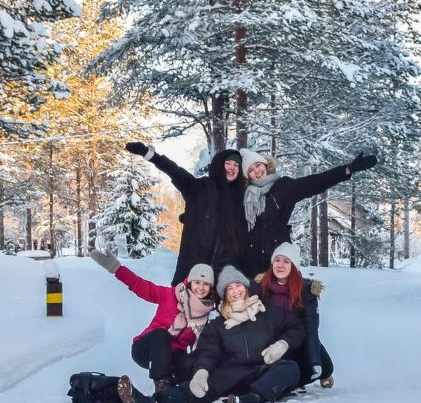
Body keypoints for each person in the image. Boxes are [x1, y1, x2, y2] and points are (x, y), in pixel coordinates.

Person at [117, 265, 305, 403]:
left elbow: (296, 328)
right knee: (197, 387)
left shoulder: (268, 313)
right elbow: (208, 352)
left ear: (246, 288)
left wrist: (283, 344)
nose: (235, 291)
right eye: (229, 288)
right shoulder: (217, 325)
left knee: (290, 368)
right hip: (232, 375)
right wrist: (201, 372)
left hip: (263, 371)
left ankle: (253, 398)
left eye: (238, 285)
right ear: (224, 295)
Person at [239, 148, 379, 276]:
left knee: (286, 301)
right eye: (250, 170)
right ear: (247, 176)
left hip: (279, 257)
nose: (256, 171)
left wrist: (348, 169)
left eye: (258, 165)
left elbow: (316, 182)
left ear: (265, 164)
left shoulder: (284, 187)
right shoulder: (245, 195)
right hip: (251, 261)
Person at [89, 249, 215, 390]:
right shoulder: (170, 295)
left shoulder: (205, 316)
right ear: (190, 282)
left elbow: (201, 349)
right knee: (162, 334)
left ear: (210, 288)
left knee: (191, 362)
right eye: (197, 282)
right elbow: (140, 286)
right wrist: (116, 268)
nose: (201, 288)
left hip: (172, 356)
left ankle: (173, 387)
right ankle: (161, 385)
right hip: (146, 348)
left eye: (206, 284)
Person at [125, 141, 247, 285]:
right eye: (228, 163)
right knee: (182, 305)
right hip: (193, 269)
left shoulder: (243, 196)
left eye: (236, 165)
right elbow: (174, 170)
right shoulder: (199, 188)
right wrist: (151, 155)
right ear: (220, 164)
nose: (232, 168)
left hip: (226, 275)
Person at [258, 241, 334, 388]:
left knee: (310, 370)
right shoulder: (261, 286)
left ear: (294, 266)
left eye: (286, 261)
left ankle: (326, 371)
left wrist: (315, 362)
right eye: (277, 260)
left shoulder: (306, 291)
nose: (280, 265)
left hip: (299, 340)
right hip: (271, 339)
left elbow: (310, 328)